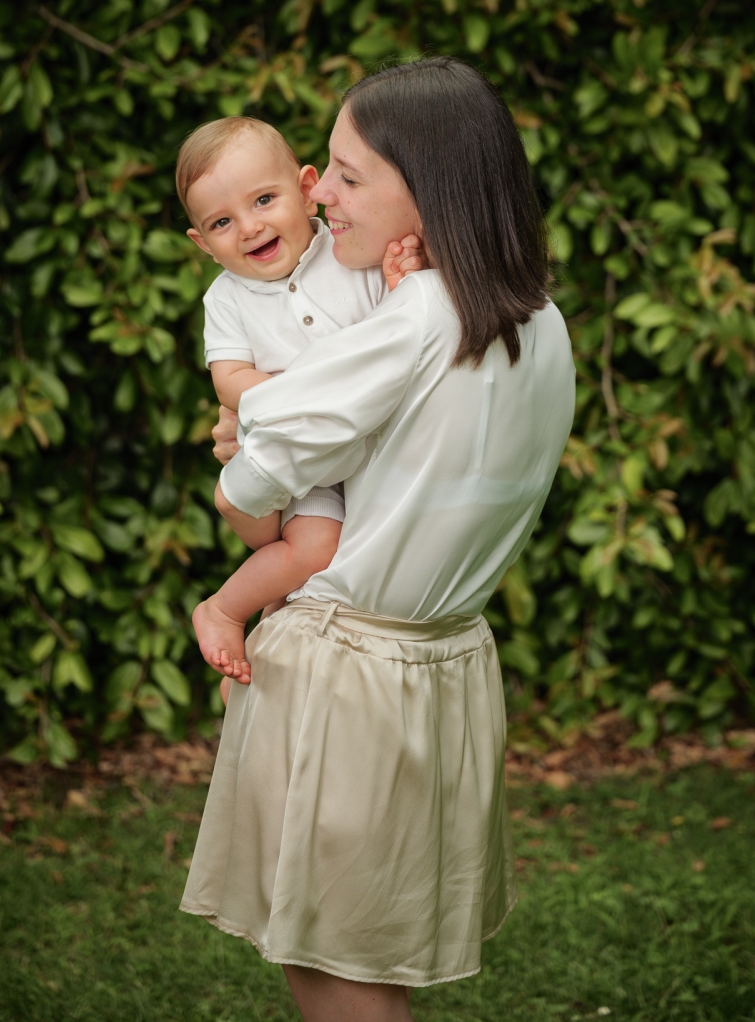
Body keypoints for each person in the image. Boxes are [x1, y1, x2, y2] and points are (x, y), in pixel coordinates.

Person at [181, 57, 575, 1022]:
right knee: (366, 950)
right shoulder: (542, 322)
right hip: (445, 664)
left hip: (345, 677)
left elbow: (249, 489)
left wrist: (239, 450)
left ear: (427, 186)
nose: (322, 195)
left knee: (333, 971)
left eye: (348, 175)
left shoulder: (411, 321)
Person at [177, 117, 423, 699]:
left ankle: (272, 623)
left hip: (367, 455)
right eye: (221, 222)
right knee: (311, 549)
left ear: (308, 188)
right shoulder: (227, 298)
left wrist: (395, 286)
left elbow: (394, 333)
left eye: (264, 199)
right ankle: (224, 610)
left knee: (312, 567)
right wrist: (301, 393)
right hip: (298, 463)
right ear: (202, 244)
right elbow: (229, 380)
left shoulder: (347, 253)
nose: (249, 227)